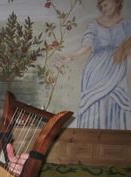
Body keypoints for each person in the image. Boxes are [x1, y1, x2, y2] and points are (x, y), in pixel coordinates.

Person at [56, 0, 131, 129]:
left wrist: (123, 50)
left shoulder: (127, 24)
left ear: (117, 3)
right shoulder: (94, 25)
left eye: (106, 4)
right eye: (101, 6)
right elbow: (87, 46)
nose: (103, 8)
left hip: (117, 68)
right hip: (95, 70)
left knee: (114, 101)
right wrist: (73, 56)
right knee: (96, 103)